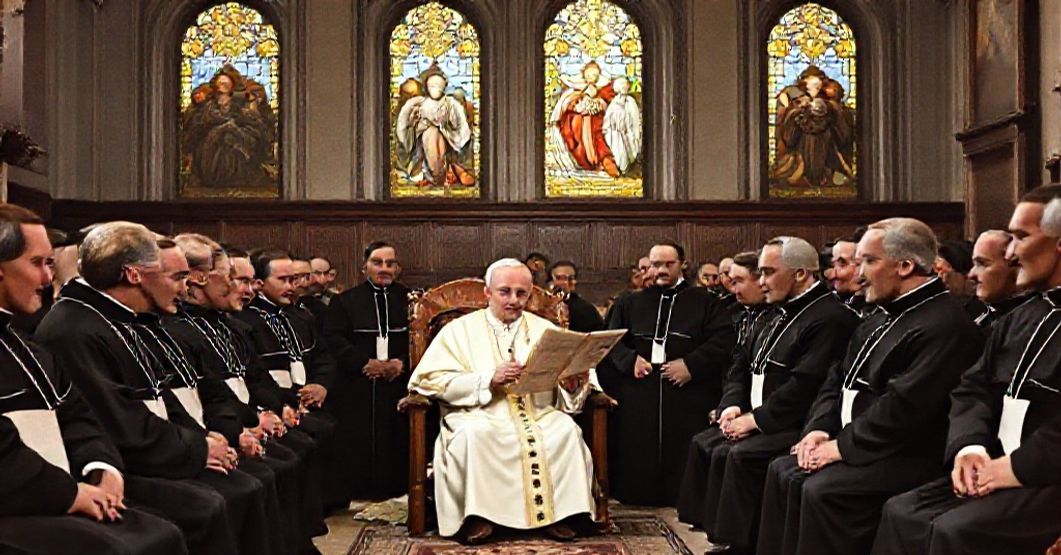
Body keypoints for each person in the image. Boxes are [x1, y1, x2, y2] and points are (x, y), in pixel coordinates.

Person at [36, 222, 275, 555]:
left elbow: (161, 396)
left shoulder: (123, 319)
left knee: (242, 485)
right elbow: (120, 421)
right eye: (176, 277)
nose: (185, 286)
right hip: (125, 462)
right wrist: (198, 449)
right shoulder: (74, 327)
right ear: (135, 275)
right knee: (208, 503)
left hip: (154, 450)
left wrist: (204, 439)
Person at [756, 218, 984, 555]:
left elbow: (905, 407)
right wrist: (819, 428)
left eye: (869, 261)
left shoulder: (944, 324)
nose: (858, 274)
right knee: (784, 470)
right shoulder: (880, 313)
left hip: (905, 453)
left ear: (905, 266)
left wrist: (841, 448)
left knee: (823, 489)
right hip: (862, 442)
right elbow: (837, 377)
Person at [874, 186, 1061, 555]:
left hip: (1047, 478)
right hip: (997, 465)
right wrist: (969, 448)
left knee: (955, 531)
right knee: (901, 512)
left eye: (1021, 237)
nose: (1010, 253)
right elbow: (972, 387)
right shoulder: (1020, 316)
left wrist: (1014, 468)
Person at [0, 204, 187, 555]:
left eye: (49, 264)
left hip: (53, 492)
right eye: (37, 263)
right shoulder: (64, 329)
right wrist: (72, 494)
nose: (46, 280)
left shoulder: (25, 347)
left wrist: (102, 468)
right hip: (17, 504)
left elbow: (77, 416)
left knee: (160, 533)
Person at [679, 238, 859, 554]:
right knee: (714, 444)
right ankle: (731, 540)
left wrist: (755, 421)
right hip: (764, 416)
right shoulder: (776, 311)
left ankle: (745, 545)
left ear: (801, 274)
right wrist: (733, 405)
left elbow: (805, 385)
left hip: (796, 422)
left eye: (768, 272)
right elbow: (741, 365)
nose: (761, 282)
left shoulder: (829, 317)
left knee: (739, 454)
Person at [407, 259, 598, 543]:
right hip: (478, 412)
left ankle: (561, 515)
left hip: (538, 412)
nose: (513, 300)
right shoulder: (458, 331)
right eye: (504, 292)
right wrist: (487, 380)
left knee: (566, 431)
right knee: (475, 436)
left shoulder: (547, 330)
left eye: (521, 293)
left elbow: (573, 388)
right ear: (487, 293)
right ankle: (479, 517)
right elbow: (430, 381)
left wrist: (573, 384)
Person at [166, 233, 325, 553]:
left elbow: (247, 378)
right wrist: (235, 429)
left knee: (291, 455)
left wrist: (269, 411)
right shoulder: (176, 329)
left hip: (226, 424)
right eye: (230, 278)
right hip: (194, 439)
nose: (238, 288)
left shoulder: (225, 324)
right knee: (264, 474)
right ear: (199, 280)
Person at [604, 242, 736, 505]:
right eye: (655, 265)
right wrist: (630, 360)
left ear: (682, 265)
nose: (661, 270)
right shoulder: (628, 302)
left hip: (687, 390)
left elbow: (723, 340)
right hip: (640, 390)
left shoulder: (706, 301)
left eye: (668, 264)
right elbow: (608, 340)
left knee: (684, 447)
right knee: (637, 446)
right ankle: (638, 493)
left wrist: (691, 364)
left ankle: (683, 496)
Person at [233, 249, 340, 509]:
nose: (292, 287)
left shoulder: (302, 316)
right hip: (276, 404)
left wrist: (321, 385)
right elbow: (255, 377)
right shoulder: (244, 320)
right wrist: (289, 401)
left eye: (294, 280)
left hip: (307, 400)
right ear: (259, 284)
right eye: (282, 280)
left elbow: (324, 357)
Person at [677, 251, 774, 527]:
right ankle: (707, 521)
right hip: (740, 404)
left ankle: (731, 534)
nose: (733, 289)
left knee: (728, 452)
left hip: (771, 415)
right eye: (731, 281)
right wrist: (728, 406)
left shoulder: (775, 316)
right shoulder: (732, 310)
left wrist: (749, 417)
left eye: (740, 281)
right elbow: (738, 370)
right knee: (703, 442)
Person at [323, 241, 410, 502]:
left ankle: (397, 487)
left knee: (397, 435)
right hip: (357, 383)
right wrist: (364, 362)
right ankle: (359, 489)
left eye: (390, 263)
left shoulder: (410, 300)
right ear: (365, 267)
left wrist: (401, 363)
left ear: (398, 268)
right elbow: (334, 339)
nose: (384, 268)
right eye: (377, 262)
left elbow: (423, 339)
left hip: (399, 380)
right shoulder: (344, 301)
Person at [394, 66, 475, 188]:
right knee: (430, 135)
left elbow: (461, 129)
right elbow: (405, 129)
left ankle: (449, 171)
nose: (435, 89)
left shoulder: (450, 103)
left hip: (448, 139)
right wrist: (417, 123)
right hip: (423, 142)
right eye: (432, 85)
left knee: (442, 142)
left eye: (438, 86)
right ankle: (428, 174)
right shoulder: (417, 104)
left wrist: (445, 127)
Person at [967, 229, 1031, 330]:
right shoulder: (978, 319)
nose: (971, 274)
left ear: (1015, 264)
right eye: (974, 264)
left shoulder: (1033, 323)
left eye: (982, 264)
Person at [547, 260, 603, 333]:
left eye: (570, 278)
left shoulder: (587, 310)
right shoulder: (538, 308)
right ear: (550, 282)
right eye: (559, 278)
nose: (565, 282)